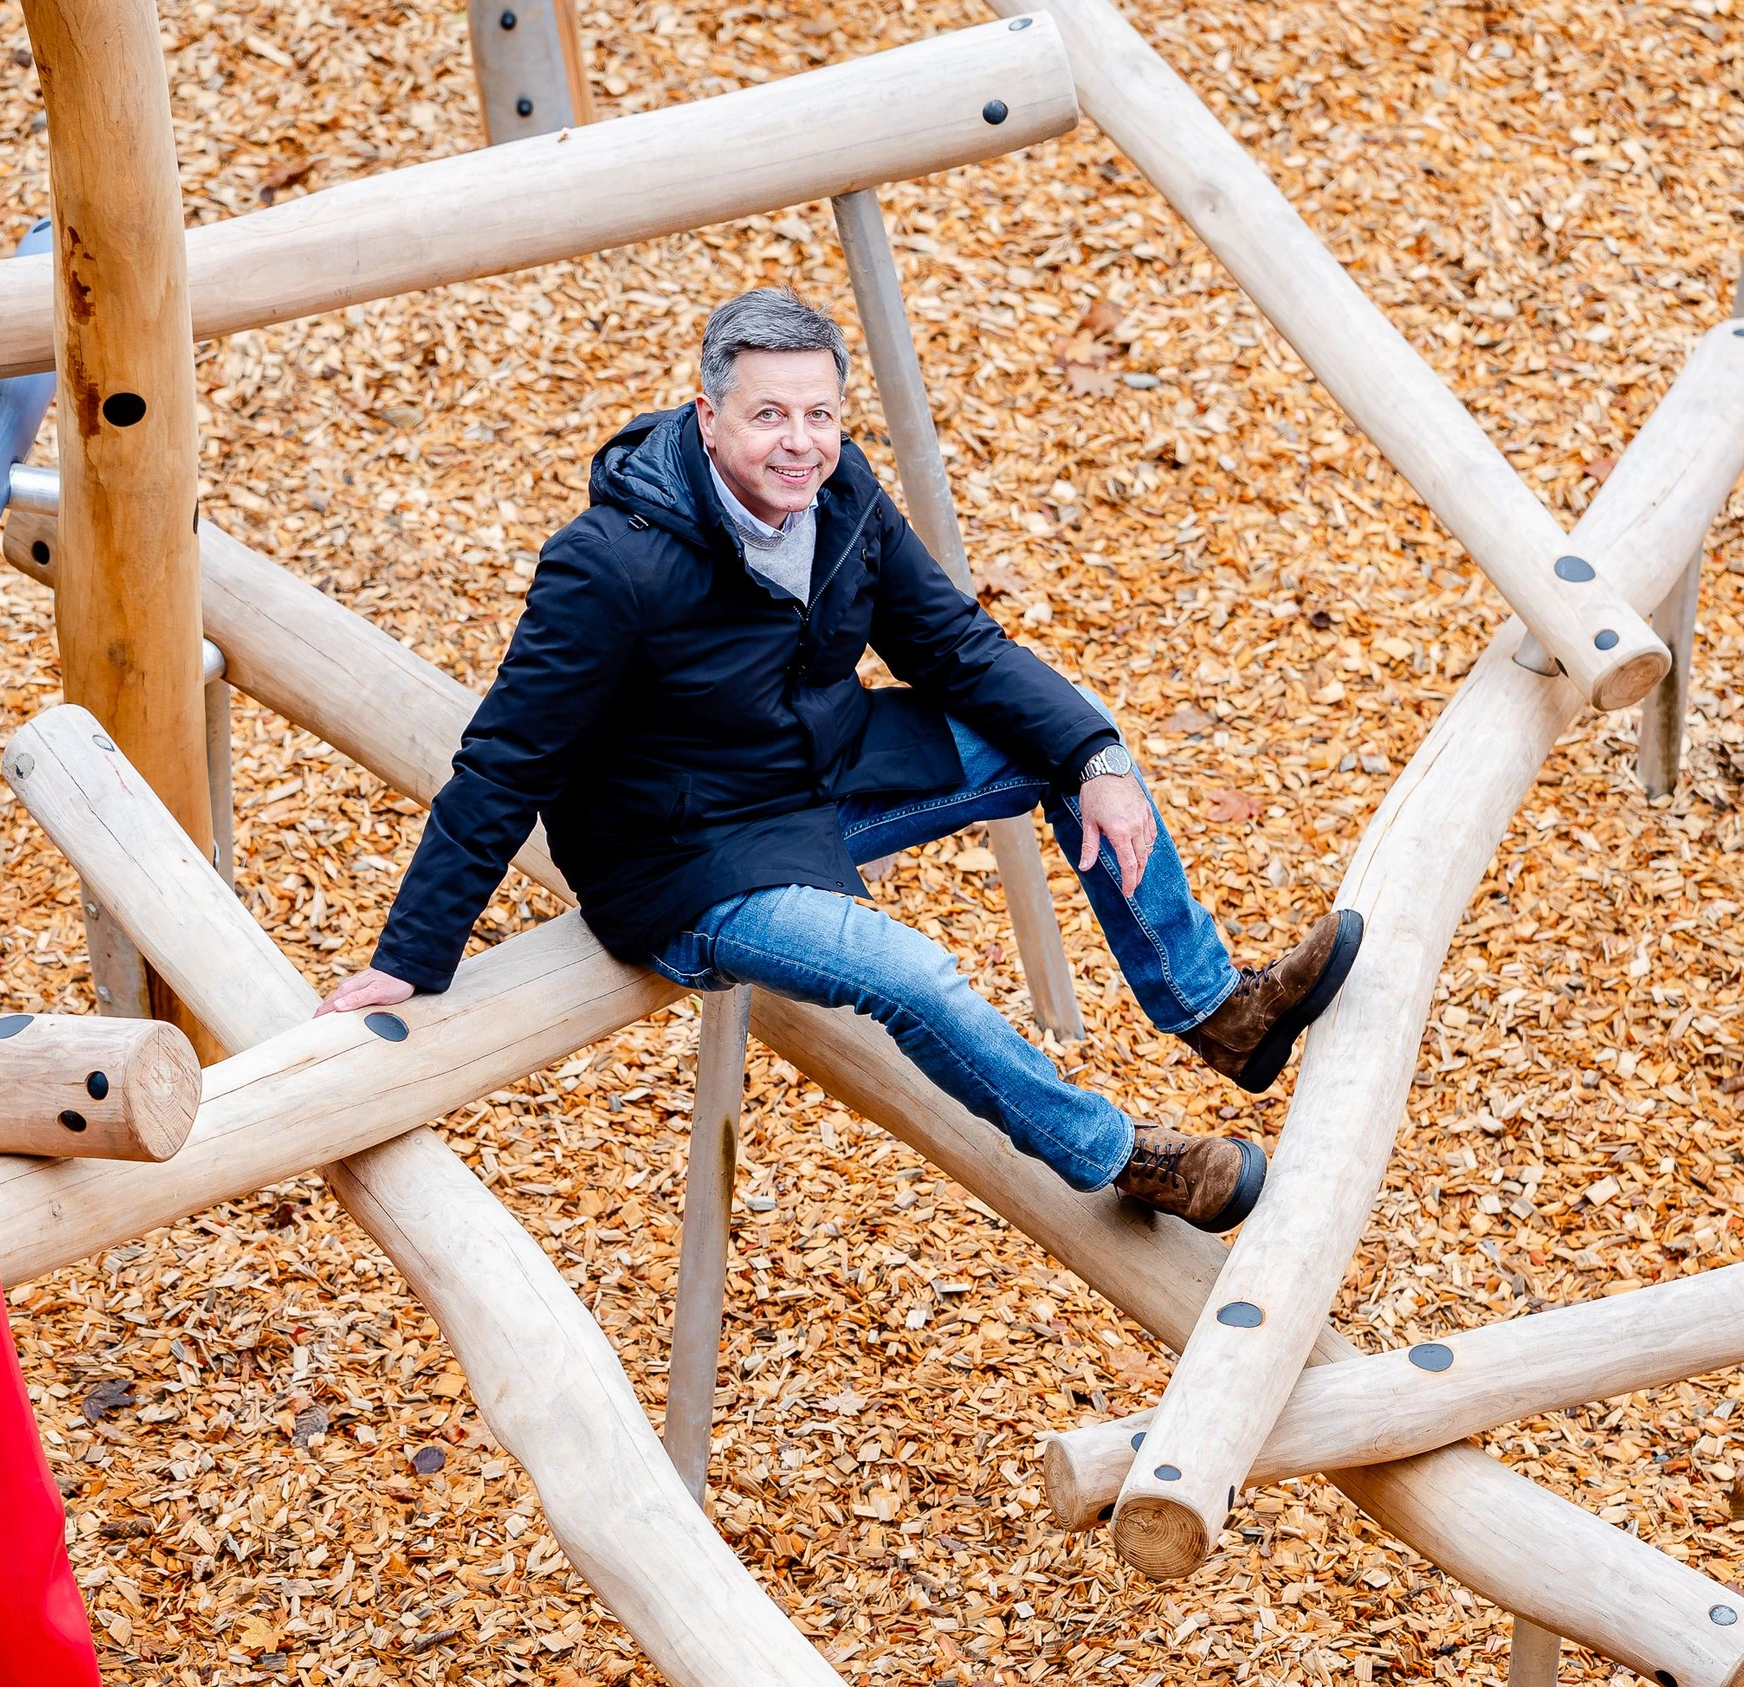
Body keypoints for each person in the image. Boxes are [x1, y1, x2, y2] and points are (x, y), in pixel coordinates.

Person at [317, 288, 1360, 1233]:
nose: (800, 442)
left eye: (819, 414)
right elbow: (506, 761)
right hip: (689, 859)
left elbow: (954, 645)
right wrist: (413, 955)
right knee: (910, 974)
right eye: (769, 414)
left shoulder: (840, 491)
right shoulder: (609, 564)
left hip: (825, 769)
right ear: (708, 414)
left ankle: (1218, 1011)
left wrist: (1096, 758)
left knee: (1076, 739)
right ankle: (1124, 1157)